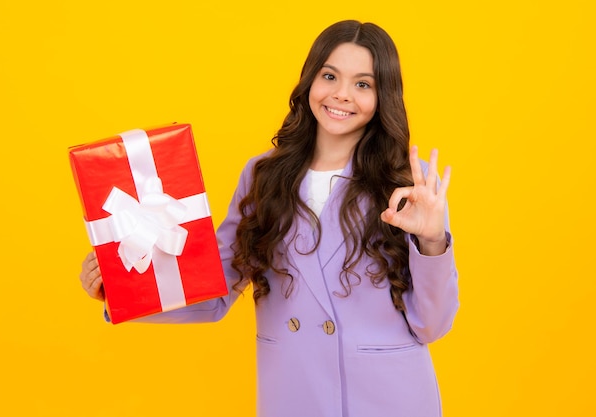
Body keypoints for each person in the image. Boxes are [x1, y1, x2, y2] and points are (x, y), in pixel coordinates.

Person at [79, 20, 458, 417]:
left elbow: (431, 325)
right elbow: (216, 289)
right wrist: (121, 290)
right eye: (330, 76)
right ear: (310, 80)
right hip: (295, 393)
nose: (342, 95)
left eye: (363, 84)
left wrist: (433, 242)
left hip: (389, 398)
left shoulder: (408, 188)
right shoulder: (262, 176)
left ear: (383, 97)